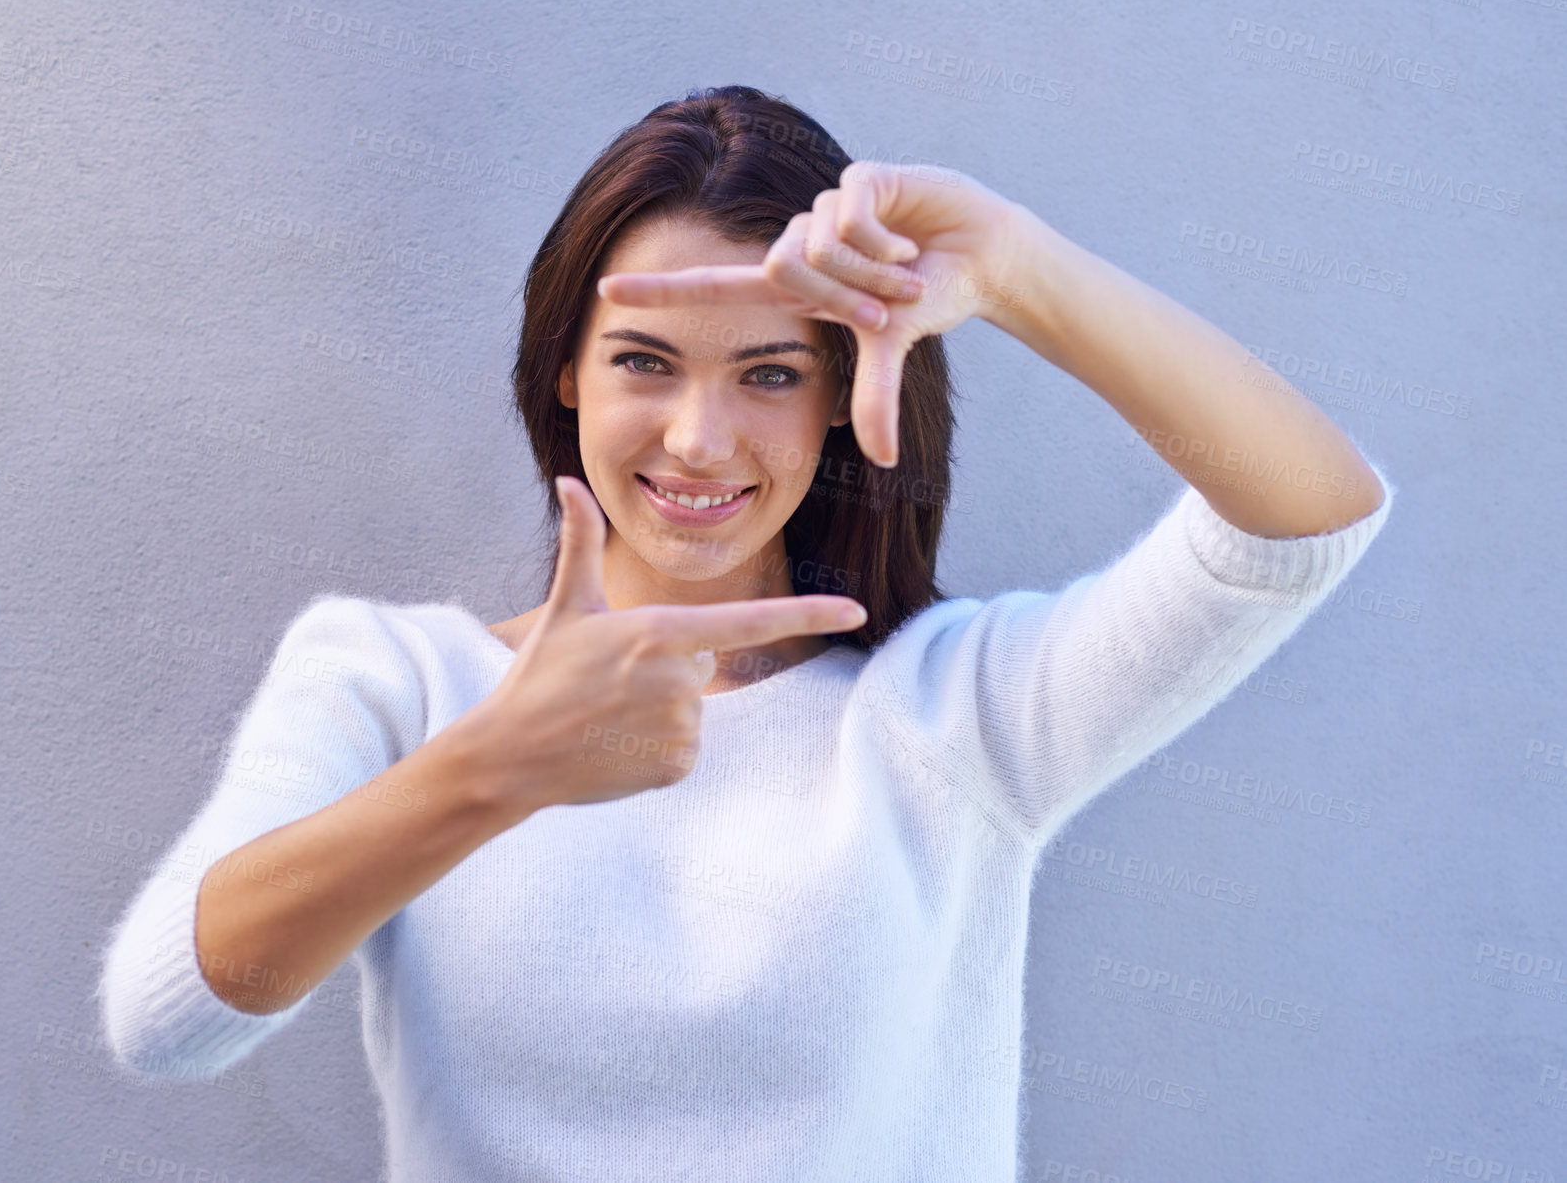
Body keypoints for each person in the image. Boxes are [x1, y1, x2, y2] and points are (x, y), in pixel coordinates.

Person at [98, 85, 1395, 1182]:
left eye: (769, 372)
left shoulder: (956, 710)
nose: (700, 439)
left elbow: (1304, 521)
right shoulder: (391, 681)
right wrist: (491, 770)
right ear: (565, 368)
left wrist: (1016, 268)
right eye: (645, 361)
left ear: (839, 394)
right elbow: (168, 1013)